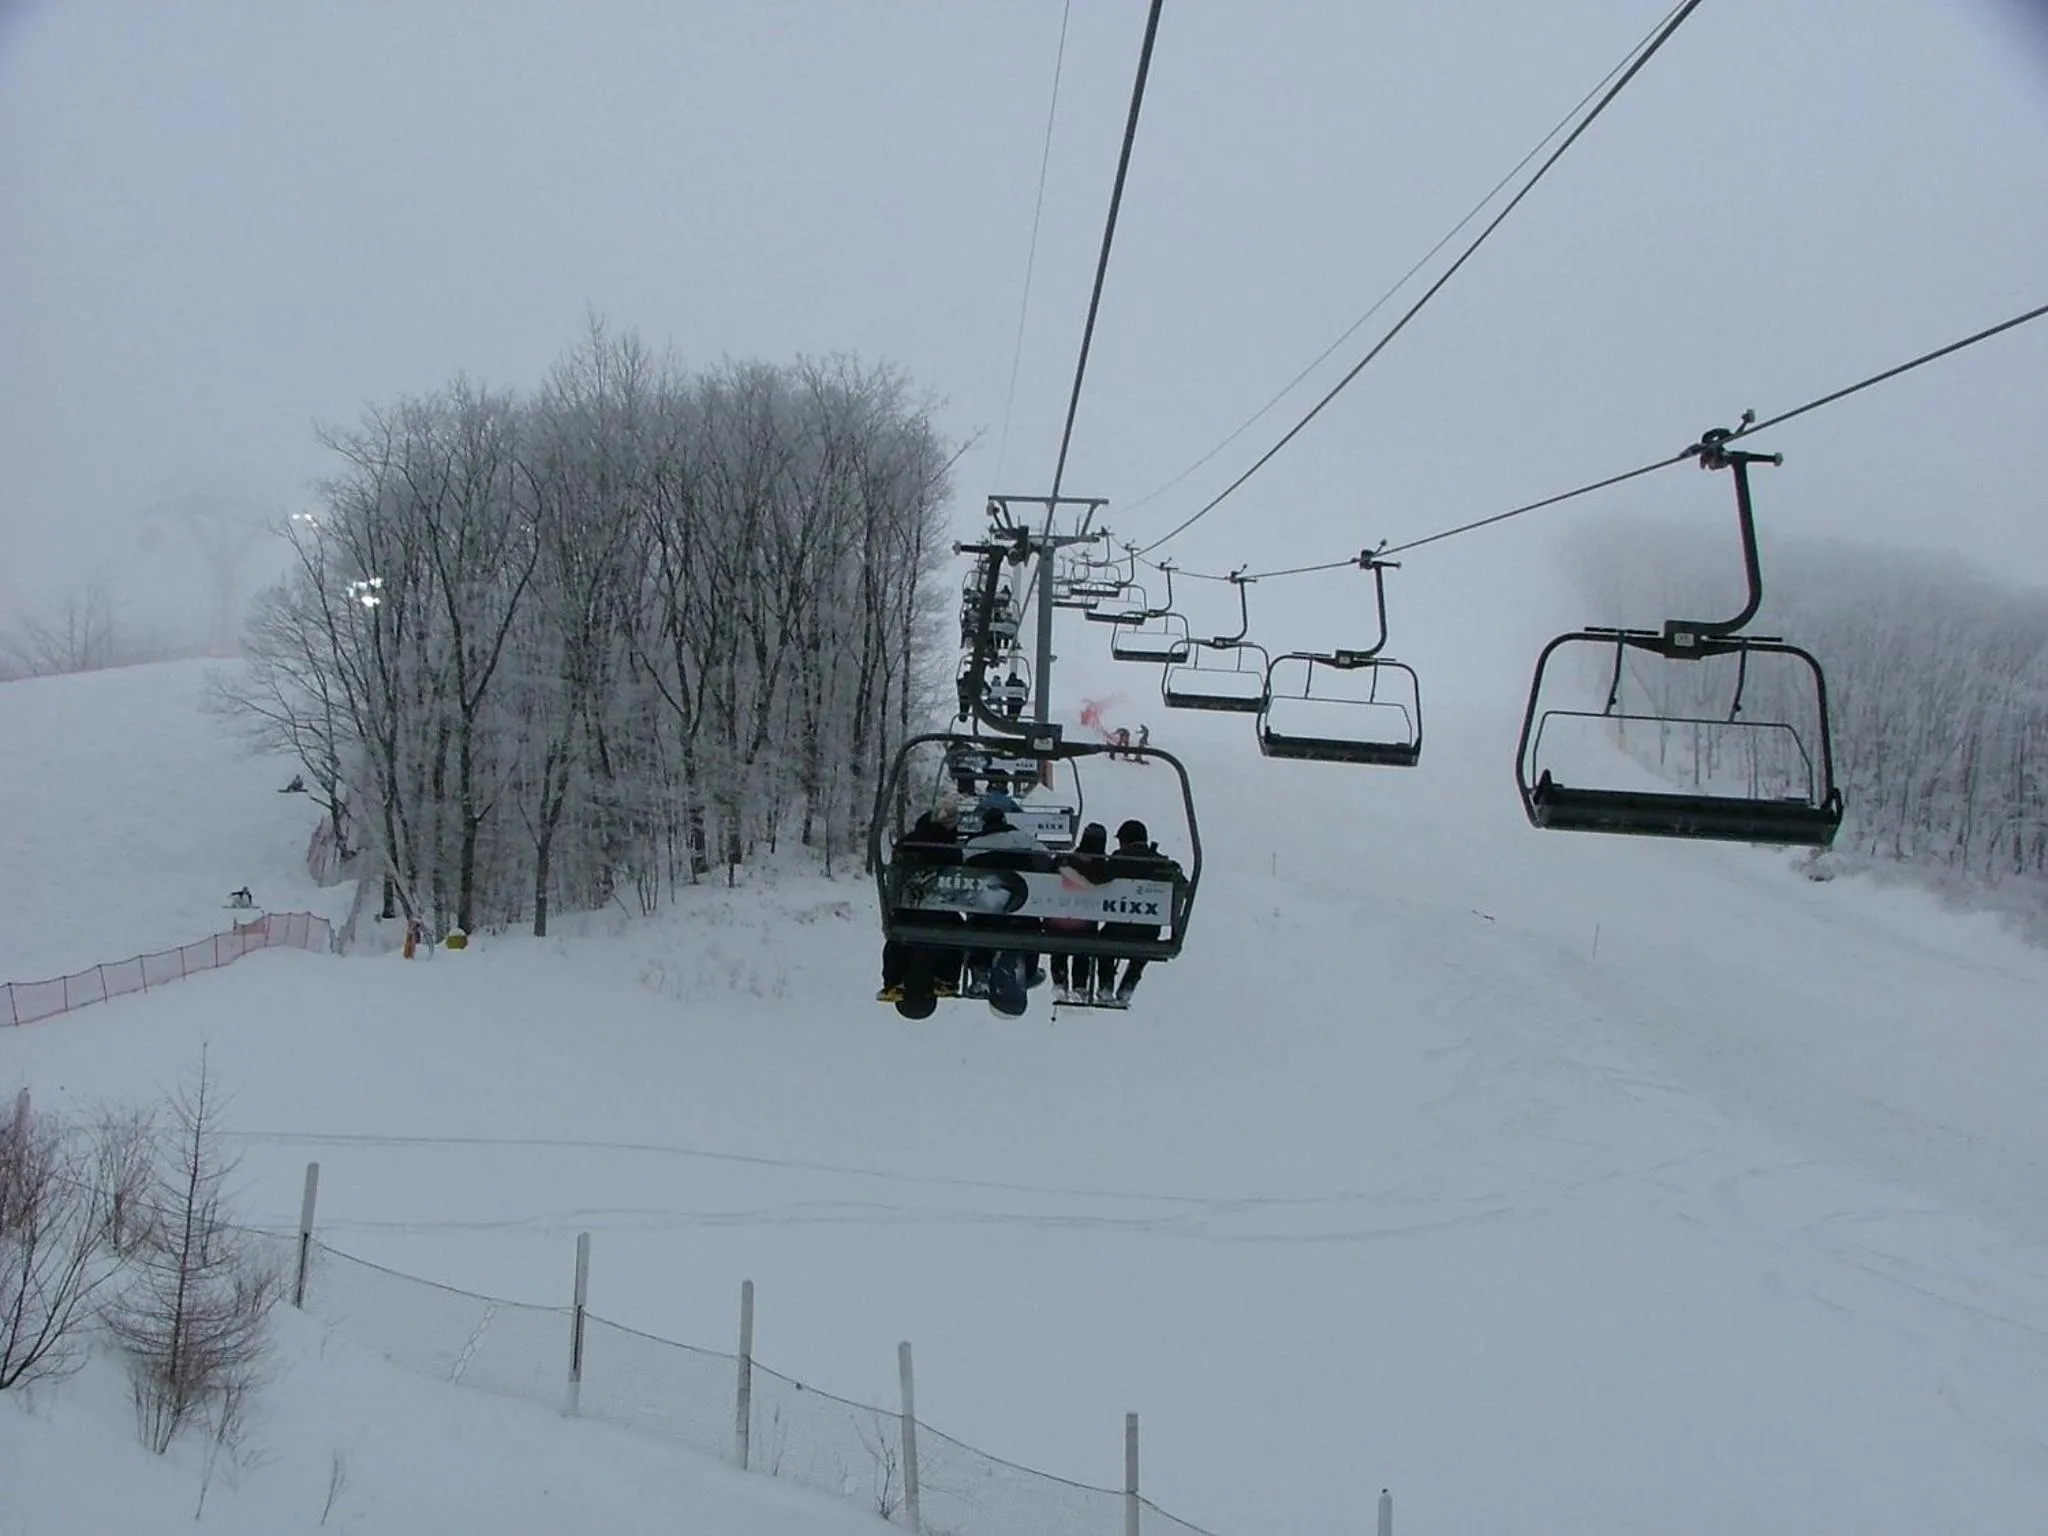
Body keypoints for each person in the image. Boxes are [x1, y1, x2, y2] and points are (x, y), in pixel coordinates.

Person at [1098, 819, 1179, 1005]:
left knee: (1104, 945)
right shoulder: (1159, 861)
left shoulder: (1120, 858)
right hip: (1148, 930)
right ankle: (1128, 984)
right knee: (1142, 950)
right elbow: (1179, 882)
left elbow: (1102, 877)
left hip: (1118, 927)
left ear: (1124, 840)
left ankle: (1105, 985)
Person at [1046, 821, 1111, 1003]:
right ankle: (1080, 986)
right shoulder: (1103, 869)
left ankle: (1059, 982)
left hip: (1058, 919)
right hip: (1085, 922)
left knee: (1058, 946)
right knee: (1083, 949)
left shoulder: (1064, 861)